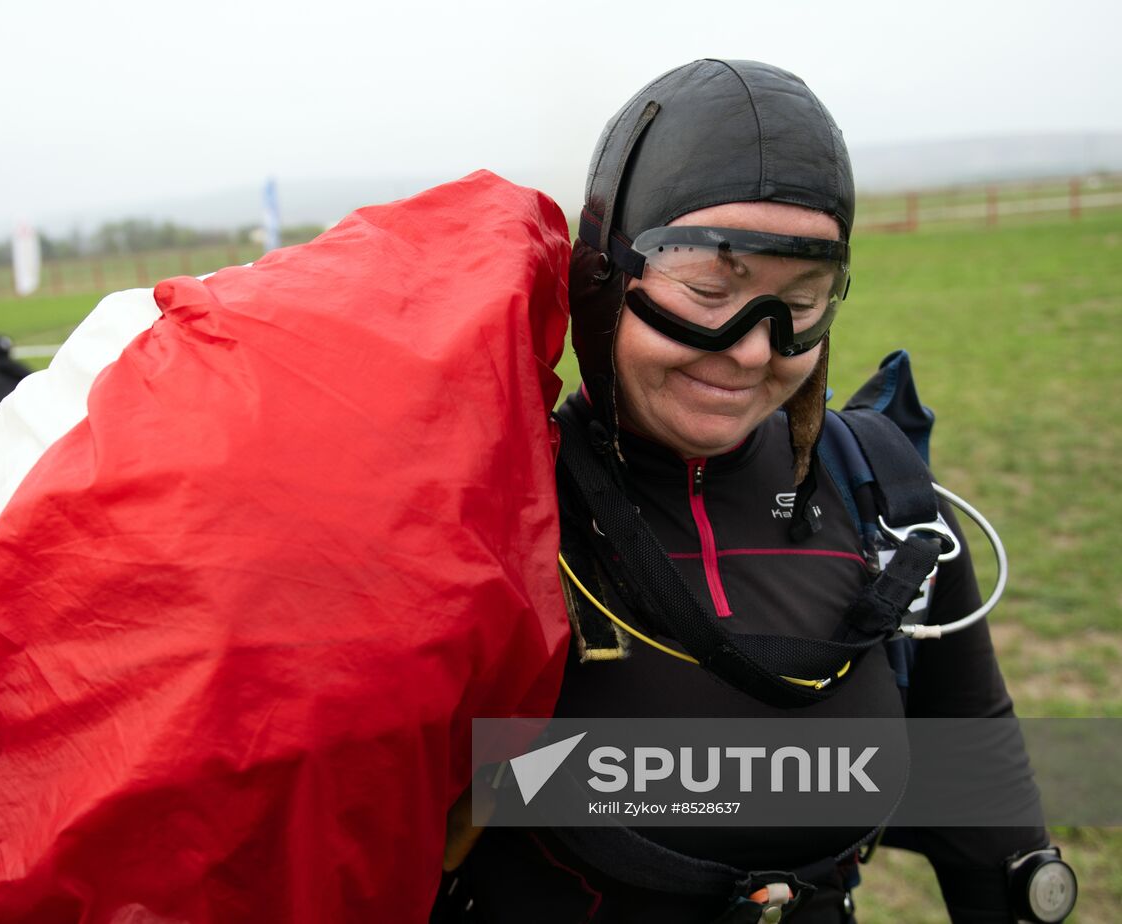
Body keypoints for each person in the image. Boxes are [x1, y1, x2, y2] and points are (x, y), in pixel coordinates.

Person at [439, 60, 1071, 923]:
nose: (750, 349)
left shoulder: (890, 513)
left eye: (800, 303)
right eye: (709, 291)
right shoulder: (490, 511)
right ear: (604, 275)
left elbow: (995, 839)